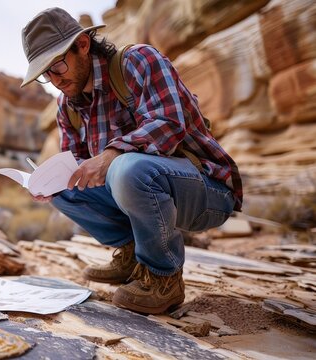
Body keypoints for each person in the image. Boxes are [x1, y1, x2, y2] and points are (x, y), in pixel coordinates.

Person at [20, 7, 242, 314]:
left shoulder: (138, 61)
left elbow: (170, 122)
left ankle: (163, 278)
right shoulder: (66, 107)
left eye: (57, 65)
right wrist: (49, 184)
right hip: (147, 192)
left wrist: (111, 155)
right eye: (46, 73)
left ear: (83, 45)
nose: (55, 80)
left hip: (207, 190)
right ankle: (134, 256)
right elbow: (78, 168)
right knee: (62, 186)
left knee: (127, 168)